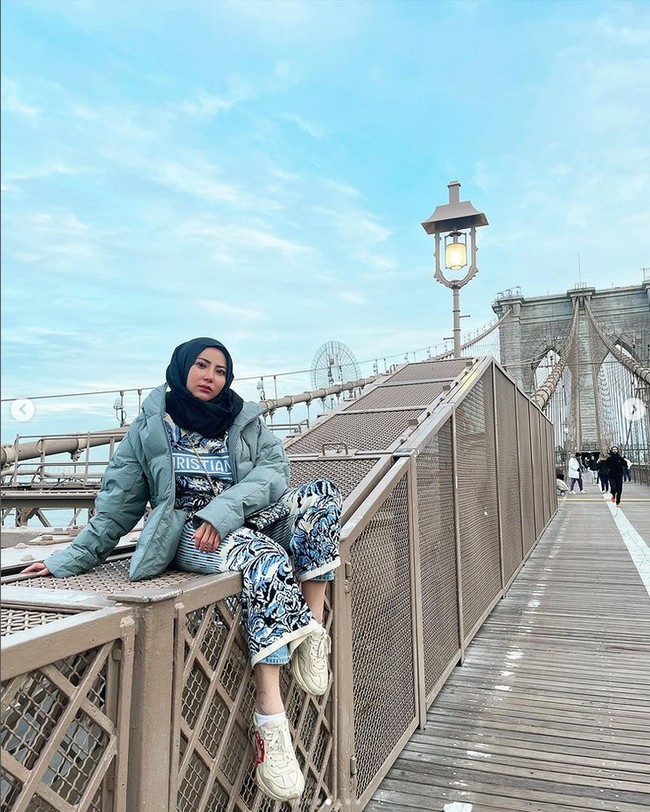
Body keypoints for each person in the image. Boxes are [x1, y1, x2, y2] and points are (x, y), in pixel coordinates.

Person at [22, 337, 342, 803]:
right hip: (192, 533)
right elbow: (119, 504)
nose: (211, 376)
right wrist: (66, 559)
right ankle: (270, 719)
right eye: (202, 365)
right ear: (181, 367)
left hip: (244, 517)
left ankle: (312, 630)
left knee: (323, 495)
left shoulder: (244, 418)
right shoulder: (151, 427)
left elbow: (275, 472)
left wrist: (225, 510)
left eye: (220, 370)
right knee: (265, 558)